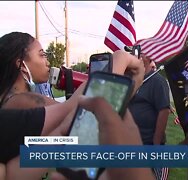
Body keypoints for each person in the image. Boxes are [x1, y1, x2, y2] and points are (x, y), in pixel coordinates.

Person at [1, 49, 145, 180]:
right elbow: (72, 111)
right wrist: (121, 59)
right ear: (21, 64)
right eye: (42, 55)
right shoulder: (22, 101)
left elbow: (12, 172)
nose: (48, 62)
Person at [128, 54, 170, 180]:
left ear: (149, 58)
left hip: (149, 145)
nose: (136, 56)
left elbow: (164, 111)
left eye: (142, 54)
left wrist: (156, 144)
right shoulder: (131, 79)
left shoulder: (157, 81)